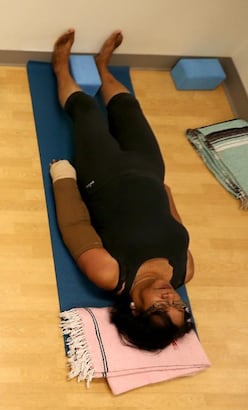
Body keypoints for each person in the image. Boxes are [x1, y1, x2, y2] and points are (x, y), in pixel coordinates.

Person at [49, 28, 195, 351]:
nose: (169, 297)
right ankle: (103, 66)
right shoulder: (186, 270)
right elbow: (174, 223)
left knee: (85, 110)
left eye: (159, 307)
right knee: (128, 109)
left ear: (135, 310)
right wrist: (165, 192)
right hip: (149, 170)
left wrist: (63, 179)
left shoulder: (111, 274)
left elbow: (75, 226)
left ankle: (60, 66)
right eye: (177, 306)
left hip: (102, 174)